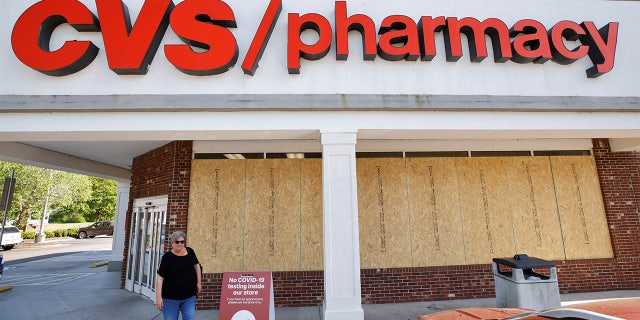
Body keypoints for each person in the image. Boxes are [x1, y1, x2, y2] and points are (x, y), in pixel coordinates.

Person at [155, 231, 202, 320]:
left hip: (189, 296)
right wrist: (158, 297)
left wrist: (199, 283)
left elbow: (197, 265)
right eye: (177, 242)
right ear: (172, 243)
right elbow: (160, 277)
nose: (180, 244)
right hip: (170, 299)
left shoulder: (190, 251)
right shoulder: (167, 257)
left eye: (182, 242)